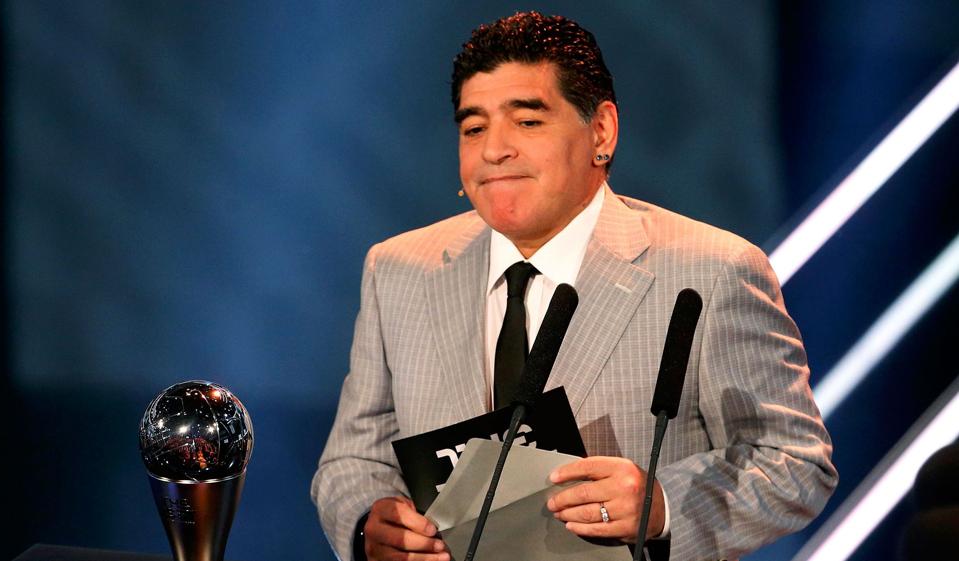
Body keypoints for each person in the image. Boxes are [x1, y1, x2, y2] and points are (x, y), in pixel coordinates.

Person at [311, 11, 837, 561]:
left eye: (527, 121)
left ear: (601, 132)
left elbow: (796, 462)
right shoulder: (398, 270)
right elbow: (353, 459)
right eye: (474, 128)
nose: (494, 150)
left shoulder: (711, 271)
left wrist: (661, 505)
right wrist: (369, 525)